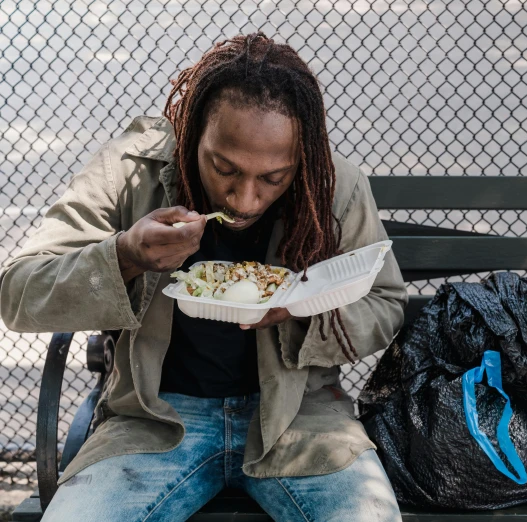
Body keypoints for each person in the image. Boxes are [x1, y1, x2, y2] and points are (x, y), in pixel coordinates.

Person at [0, 31, 407, 522]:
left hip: (299, 420)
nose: (245, 199)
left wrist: (298, 311)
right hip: (152, 419)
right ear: (193, 132)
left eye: (273, 179)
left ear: (301, 160)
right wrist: (126, 255)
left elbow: (384, 302)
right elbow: (19, 291)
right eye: (225, 168)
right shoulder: (133, 168)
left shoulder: (332, 185)